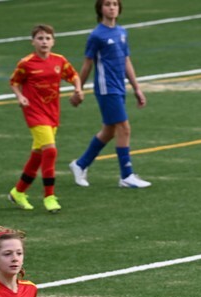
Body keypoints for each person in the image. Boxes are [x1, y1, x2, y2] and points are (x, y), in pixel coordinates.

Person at [68, 0, 151, 189]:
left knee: (109, 131)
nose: (112, 7)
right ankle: (126, 175)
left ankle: (80, 164)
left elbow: (126, 60)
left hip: (119, 87)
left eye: (115, 4)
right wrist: (78, 89)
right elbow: (87, 64)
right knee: (124, 128)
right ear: (100, 8)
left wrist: (136, 88)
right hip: (106, 89)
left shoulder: (122, 32)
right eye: (107, 4)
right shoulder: (96, 35)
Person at [7, 24, 83, 213]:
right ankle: (49, 196)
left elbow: (74, 75)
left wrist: (78, 89)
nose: (44, 42)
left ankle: (18, 192)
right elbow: (14, 82)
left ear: (53, 42)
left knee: (38, 155)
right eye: (40, 38)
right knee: (50, 151)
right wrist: (20, 96)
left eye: (48, 38)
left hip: (52, 113)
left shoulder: (59, 60)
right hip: (34, 112)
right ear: (33, 42)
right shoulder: (26, 63)